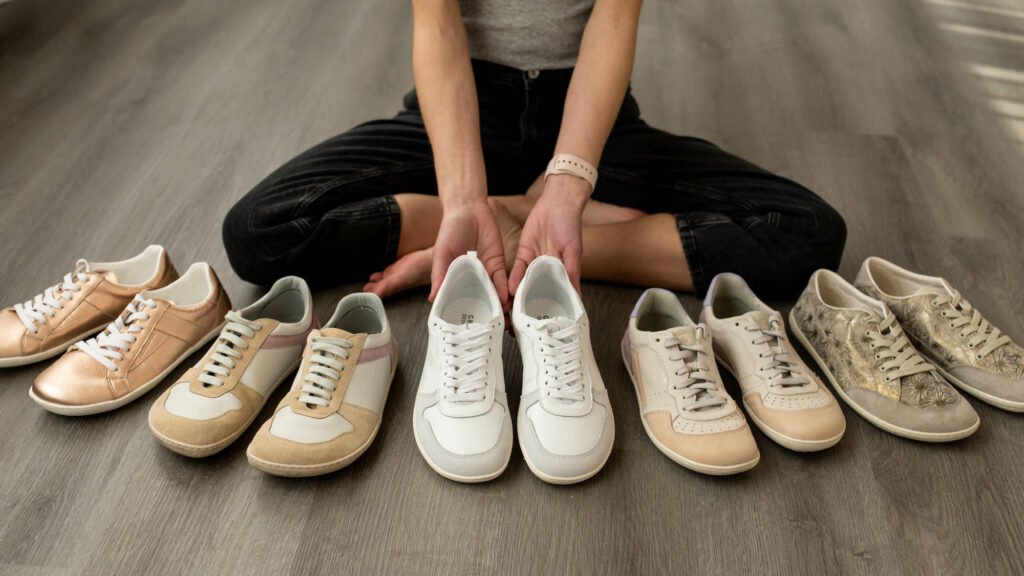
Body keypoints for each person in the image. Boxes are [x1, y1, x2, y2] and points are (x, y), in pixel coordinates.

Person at [222, 0, 846, 306]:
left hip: (587, 116)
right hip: (466, 108)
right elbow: (437, 26)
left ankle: (516, 237)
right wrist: (464, 197)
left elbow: (612, 24)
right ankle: (495, 230)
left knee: (805, 234)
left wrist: (568, 187)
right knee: (261, 232)